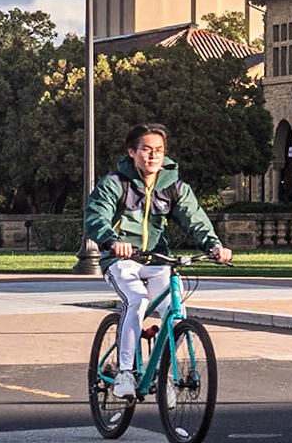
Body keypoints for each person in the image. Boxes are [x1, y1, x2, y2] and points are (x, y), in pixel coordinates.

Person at [84, 122, 233, 396]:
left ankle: (161, 371)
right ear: (132, 151)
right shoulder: (116, 184)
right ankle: (125, 374)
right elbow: (96, 217)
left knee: (175, 316)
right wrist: (112, 241)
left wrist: (214, 246)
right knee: (137, 301)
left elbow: (194, 218)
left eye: (159, 151)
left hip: (156, 261)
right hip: (121, 261)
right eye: (146, 150)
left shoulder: (174, 187)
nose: (153, 156)